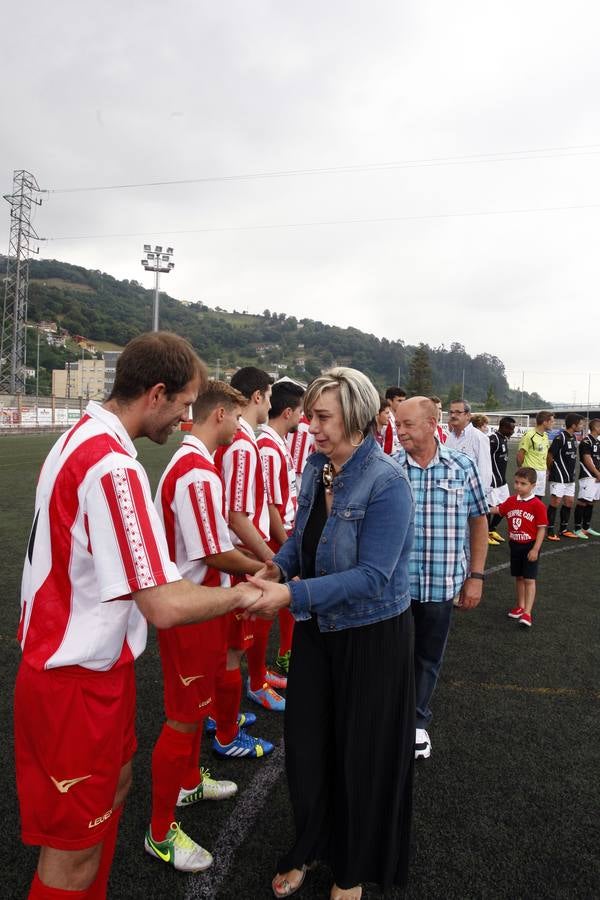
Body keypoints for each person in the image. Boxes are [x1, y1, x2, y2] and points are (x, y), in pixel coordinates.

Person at [15, 333, 260, 899]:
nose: (184, 418)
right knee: (69, 860)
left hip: (93, 672)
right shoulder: (112, 465)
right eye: (181, 404)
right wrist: (246, 594)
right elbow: (165, 604)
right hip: (72, 682)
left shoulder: (82, 435)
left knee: (117, 789)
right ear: (156, 394)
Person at [249, 368, 415, 900]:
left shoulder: (388, 481)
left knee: (360, 757)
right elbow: (300, 538)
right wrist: (276, 569)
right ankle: (311, 844)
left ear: (357, 417)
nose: (310, 427)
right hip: (320, 631)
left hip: (371, 638)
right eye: (311, 416)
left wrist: (291, 596)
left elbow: (373, 577)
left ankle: (350, 872)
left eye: (322, 417)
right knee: (308, 749)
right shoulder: (315, 467)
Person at [148, 380, 271, 873]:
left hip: (199, 603)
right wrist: (261, 569)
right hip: (189, 607)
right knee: (180, 717)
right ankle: (159, 833)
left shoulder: (192, 465)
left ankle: (187, 783)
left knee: (192, 711)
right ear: (220, 414)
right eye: (237, 417)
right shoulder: (197, 471)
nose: (241, 427)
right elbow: (210, 551)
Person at [394, 397, 488, 761]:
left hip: (440, 584)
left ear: (433, 425)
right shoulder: (388, 468)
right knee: (392, 656)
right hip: (395, 587)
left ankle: (417, 721)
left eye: (407, 425)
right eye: (398, 424)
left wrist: (476, 576)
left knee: (428, 657)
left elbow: (479, 520)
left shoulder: (462, 466)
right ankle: (391, 716)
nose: (400, 432)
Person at [214, 367, 286, 720]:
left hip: (237, 553)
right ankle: (222, 718)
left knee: (234, 643)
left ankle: (223, 711)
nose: (270, 403)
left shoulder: (244, 441)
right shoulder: (242, 445)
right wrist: (271, 559)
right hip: (239, 556)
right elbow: (236, 515)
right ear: (257, 396)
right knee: (232, 647)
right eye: (269, 396)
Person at [257, 379, 304, 688]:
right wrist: (288, 547)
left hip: (284, 531)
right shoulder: (269, 448)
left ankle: (273, 662)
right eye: (301, 411)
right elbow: (272, 507)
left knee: (286, 600)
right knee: (267, 605)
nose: (303, 419)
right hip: (276, 535)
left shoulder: (276, 444)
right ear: (288, 412)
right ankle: (258, 673)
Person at [489, 467, 548, 627]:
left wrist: (535, 549)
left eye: (523, 484)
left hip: (530, 546)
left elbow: (542, 528)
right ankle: (520, 606)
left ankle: (527, 613)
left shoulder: (538, 505)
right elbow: (498, 510)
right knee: (519, 577)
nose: (518, 486)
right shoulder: (511, 501)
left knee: (529, 579)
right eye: (516, 482)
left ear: (533, 485)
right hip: (515, 545)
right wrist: (481, 508)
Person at [545, 413, 583, 540]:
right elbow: (550, 455)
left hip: (570, 477)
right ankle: (549, 530)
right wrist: (552, 471)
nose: (582, 426)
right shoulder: (560, 437)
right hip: (558, 476)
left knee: (569, 502)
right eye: (581, 424)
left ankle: (564, 529)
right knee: (555, 502)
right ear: (573, 425)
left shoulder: (573, 438)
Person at [445, 399, 493, 495]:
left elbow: (485, 471)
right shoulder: (450, 438)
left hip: (470, 496)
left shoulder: (479, 437)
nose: (453, 415)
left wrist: (481, 497)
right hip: (449, 494)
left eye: (458, 412)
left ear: (468, 416)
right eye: (451, 412)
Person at [487, 416, 517, 544]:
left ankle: (491, 529)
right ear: (503, 427)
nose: (513, 431)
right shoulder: (493, 440)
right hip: (492, 481)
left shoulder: (503, 439)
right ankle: (485, 533)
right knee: (488, 507)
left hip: (502, 482)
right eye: (511, 428)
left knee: (506, 507)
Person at [516, 410, 555, 498]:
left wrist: (547, 469)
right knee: (526, 499)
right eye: (552, 421)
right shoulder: (529, 435)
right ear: (545, 422)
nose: (553, 423)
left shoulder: (545, 435)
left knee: (537, 499)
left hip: (542, 473)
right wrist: (521, 471)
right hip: (530, 473)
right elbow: (520, 454)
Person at [573, 418, 600, 538]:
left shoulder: (598, 442)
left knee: (592, 501)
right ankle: (577, 528)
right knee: (583, 501)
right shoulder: (586, 442)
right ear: (595, 427)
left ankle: (586, 527)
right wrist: (596, 472)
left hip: (597, 476)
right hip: (588, 476)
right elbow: (587, 460)